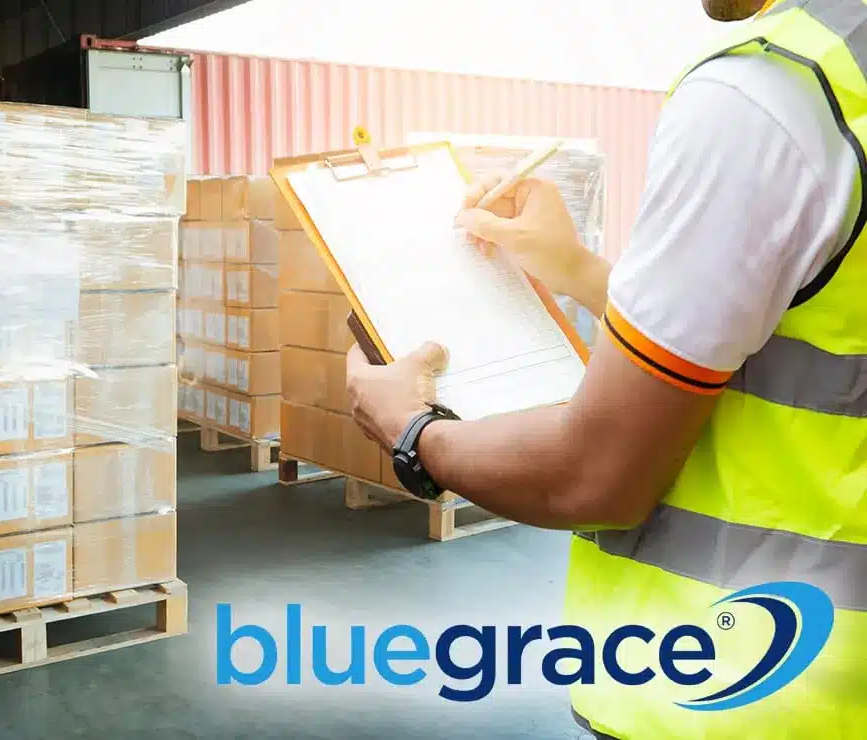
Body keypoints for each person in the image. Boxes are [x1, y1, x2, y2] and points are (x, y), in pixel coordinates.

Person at [345, 0, 866, 737]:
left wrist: (410, 430)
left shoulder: (773, 94)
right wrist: (578, 270)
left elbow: (595, 475)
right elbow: (806, 345)